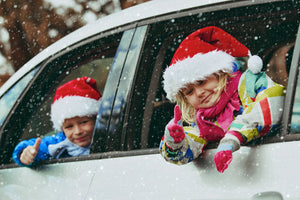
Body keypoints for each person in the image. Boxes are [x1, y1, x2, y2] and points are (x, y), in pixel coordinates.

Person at [159, 26, 285, 173]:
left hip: (276, 165)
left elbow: (271, 102)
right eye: (189, 92)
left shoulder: (249, 82)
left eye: (201, 82)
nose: (199, 93)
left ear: (220, 73)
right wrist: (175, 143)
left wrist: (233, 137)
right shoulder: (202, 120)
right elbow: (190, 146)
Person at [13, 76, 102, 167]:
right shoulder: (58, 143)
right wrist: (25, 153)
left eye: (83, 122)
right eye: (69, 126)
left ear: (96, 120)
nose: (78, 131)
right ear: (62, 129)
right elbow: (39, 146)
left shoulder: (107, 136)